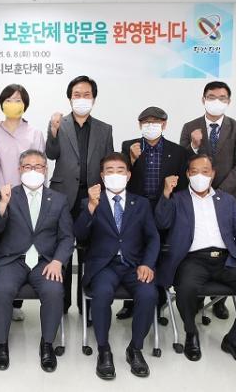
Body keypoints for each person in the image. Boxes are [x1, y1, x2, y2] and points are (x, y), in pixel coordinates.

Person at [155, 154, 236, 366]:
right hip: (192, 260)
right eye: (194, 171)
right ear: (188, 174)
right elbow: (162, 223)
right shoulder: (178, 199)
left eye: (205, 171)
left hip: (226, 259)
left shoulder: (227, 200)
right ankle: (191, 333)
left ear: (213, 174)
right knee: (186, 289)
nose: (200, 176)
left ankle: (234, 337)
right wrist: (166, 194)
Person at [74, 153, 160, 379]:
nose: (115, 174)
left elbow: (153, 238)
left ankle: (135, 349)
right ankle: (104, 350)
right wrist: (91, 207)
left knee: (149, 293)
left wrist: (147, 264)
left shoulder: (141, 203)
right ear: (102, 176)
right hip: (103, 266)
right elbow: (79, 235)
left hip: (134, 265)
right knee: (101, 294)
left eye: (120, 170)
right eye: (109, 171)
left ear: (128, 175)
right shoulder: (90, 201)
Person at [0, 149, 73, 372]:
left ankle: (47, 345)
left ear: (45, 170)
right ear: (19, 170)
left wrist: (58, 261)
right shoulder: (9, 195)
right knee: (2, 290)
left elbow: (66, 237)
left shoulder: (59, 200)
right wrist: (2, 204)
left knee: (54, 291)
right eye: (27, 167)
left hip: (45, 261)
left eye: (38, 167)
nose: (33, 171)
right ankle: (1, 345)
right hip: (12, 259)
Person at [179, 81, 236, 320]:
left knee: (225, 246)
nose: (216, 101)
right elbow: (183, 162)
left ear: (228, 101)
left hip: (227, 198)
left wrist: (219, 192)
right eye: (211, 97)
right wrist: (193, 146)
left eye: (222, 97)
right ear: (203, 99)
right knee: (199, 243)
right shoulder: (190, 126)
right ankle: (196, 296)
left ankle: (219, 301)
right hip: (195, 198)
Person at [46, 75, 114, 314]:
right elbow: (51, 154)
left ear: (93, 99)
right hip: (63, 195)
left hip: (92, 197)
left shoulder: (105, 129)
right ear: (70, 98)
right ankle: (61, 304)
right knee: (61, 249)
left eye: (87, 95)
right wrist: (53, 130)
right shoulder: (58, 124)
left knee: (91, 251)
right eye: (77, 95)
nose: (82, 99)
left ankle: (88, 306)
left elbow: (108, 164)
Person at [0, 83, 46, 322]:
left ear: (25, 104)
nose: (13, 104)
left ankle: (16, 304)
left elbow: (41, 167)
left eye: (18, 100)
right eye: (8, 100)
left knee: (23, 250)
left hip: (27, 199)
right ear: (2, 104)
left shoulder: (34, 133)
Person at [115, 106, 189, 319]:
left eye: (155, 122)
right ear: (140, 125)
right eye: (146, 122)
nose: (150, 126)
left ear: (164, 124)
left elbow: (182, 186)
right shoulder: (129, 146)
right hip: (135, 208)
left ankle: (158, 304)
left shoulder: (177, 151)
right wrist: (131, 159)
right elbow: (120, 176)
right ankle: (130, 303)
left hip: (163, 207)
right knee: (134, 251)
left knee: (160, 254)